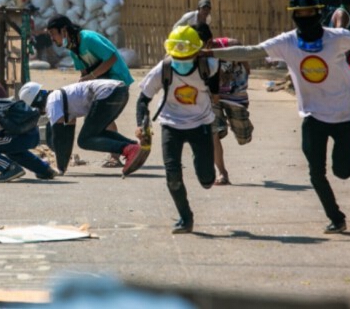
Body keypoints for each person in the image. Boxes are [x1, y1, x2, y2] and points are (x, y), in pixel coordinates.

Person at [205, 0, 350, 234]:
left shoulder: (336, 37)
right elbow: (250, 51)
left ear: (318, 13)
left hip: (343, 114)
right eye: (300, 13)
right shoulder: (287, 42)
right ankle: (336, 218)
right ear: (294, 16)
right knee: (316, 173)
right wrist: (210, 52)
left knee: (340, 171)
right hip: (313, 115)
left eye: (310, 12)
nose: (305, 17)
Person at [134, 26, 220, 234]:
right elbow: (143, 100)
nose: (181, 59)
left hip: (200, 124)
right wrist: (141, 125)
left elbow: (215, 93)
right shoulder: (163, 69)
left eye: (187, 54)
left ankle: (202, 166)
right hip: (171, 125)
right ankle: (186, 218)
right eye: (177, 54)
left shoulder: (209, 66)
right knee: (172, 176)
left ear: (197, 51)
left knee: (207, 180)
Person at [46, 15, 134, 167]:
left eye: (54, 33)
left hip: (116, 79)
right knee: (101, 119)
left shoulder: (88, 38)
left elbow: (111, 58)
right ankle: (127, 149)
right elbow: (84, 74)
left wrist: (91, 77)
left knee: (101, 121)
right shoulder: (73, 49)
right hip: (101, 84)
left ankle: (118, 153)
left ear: (64, 30)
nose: (53, 39)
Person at [19, 80, 146, 176]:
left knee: (85, 140)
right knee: (97, 132)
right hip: (119, 90)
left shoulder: (52, 102)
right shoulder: (60, 98)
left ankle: (129, 149)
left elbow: (59, 136)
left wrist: (58, 167)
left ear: (36, 102)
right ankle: (135, 147)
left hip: (107, 93)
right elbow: (67, 135)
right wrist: (63, 167)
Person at [194, 23, 253, 186]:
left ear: (210, 41)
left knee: (244, 137)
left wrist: (245, 70)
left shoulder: (230, 45)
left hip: (236, 95)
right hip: (213, 96)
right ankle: (222, 173)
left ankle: (241, 127)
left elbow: (246, 63)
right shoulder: (195, 54)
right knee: (212, 133)